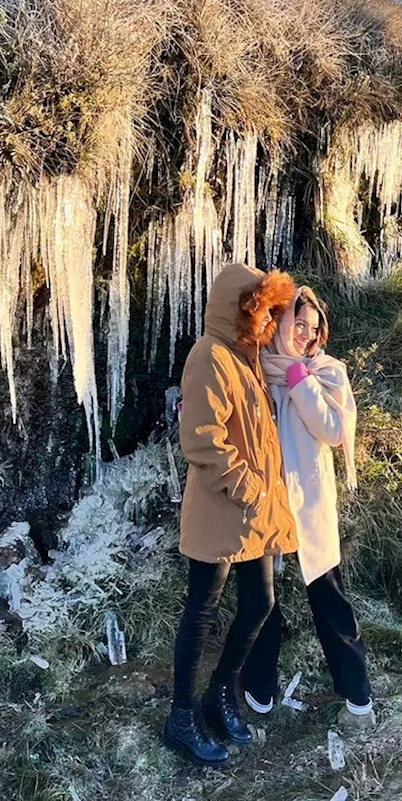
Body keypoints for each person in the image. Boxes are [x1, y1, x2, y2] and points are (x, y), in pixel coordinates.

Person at [163, 263, 300, 766]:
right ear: (240, 309)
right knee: (202, 610)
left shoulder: (248, 359)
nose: (268, 321)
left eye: (270, 312)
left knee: (260, 603)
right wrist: (247, 488)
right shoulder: (210, 356)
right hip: (224, 509)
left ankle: (221, 692)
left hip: (256, 512)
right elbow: (201, 437)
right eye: (261, 311)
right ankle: (181, 715)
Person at [240, 286, 375, 730]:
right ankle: (259, 695)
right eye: (298, 324)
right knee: (263, 600)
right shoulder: (258, 368)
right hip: (266, 500)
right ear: (280, 324)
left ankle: (357, 697)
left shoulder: (325, 372)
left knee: (328, 596)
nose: (305, 334)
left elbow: (334, 431)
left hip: (311, 500)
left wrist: (300, 380)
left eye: (313, 328)